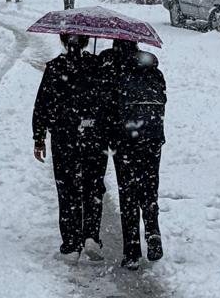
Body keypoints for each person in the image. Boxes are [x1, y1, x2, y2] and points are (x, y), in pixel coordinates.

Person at [32, 34, 104, 256]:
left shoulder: (55, 68)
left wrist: (39, 137)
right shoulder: (96, 66)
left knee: (67, 188)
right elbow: (105, 100)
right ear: (85, 41)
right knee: (93, 186)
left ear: (63, 41)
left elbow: (42, 103)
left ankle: (71, 241)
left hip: (65, 135)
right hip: (93, 135)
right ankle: (91, 234)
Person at [99, 38, 166, 268]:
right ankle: (153, 232)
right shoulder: (153, 71)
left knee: (128, 193)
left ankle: (132, 251)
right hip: (153, 137)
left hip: (125, 140)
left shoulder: (114, 70)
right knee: (149, 187)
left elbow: (106, 107)